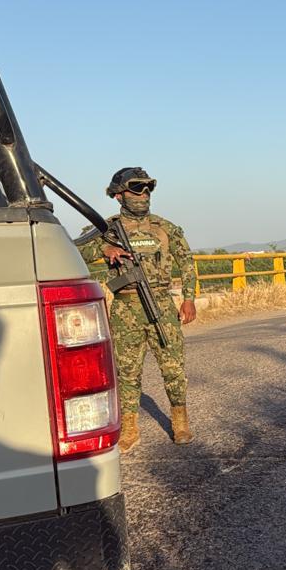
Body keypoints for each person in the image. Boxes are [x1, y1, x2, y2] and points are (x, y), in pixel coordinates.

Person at [77, 166, 197, 452]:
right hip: (126, 309)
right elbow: (76, 250)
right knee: (127, 371)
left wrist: (189, 298)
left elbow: (187, 262)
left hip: (161, 305)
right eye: (135, 188)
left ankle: (180, 420)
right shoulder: (106, 229)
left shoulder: (165, 228)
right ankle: (129, 426)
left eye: (147, 188)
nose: (142, 195)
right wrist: (105, 250)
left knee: (173, 367)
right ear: (118, 195)